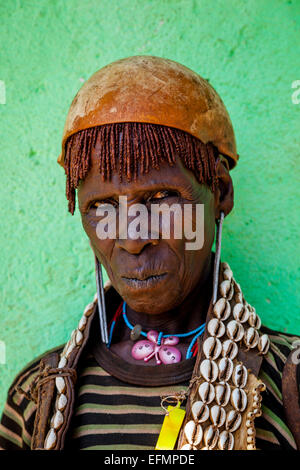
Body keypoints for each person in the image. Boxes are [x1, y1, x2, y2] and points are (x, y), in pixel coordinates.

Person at [0, 56, 299, 451]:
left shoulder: (287, 381)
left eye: (161, 198)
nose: (132, 239)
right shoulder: (38, 398)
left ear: (221, 193)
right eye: (102, 207)